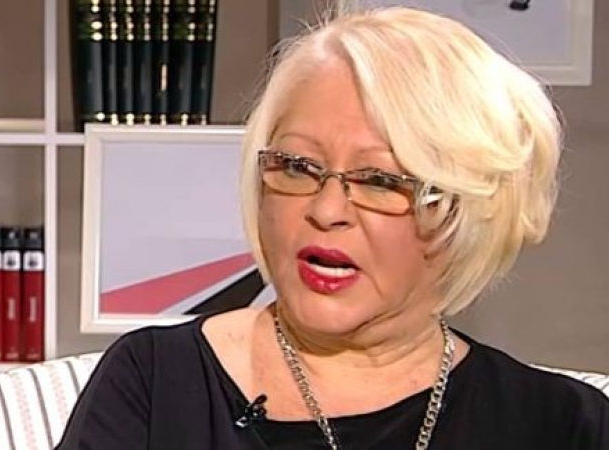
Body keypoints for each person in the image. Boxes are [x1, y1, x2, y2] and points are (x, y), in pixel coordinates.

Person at [55, 5, 609, 449]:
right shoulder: (156, 384)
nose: (325, 210)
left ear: (464, 209)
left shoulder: (562, 424)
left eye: (380, 181)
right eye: (297, 167)